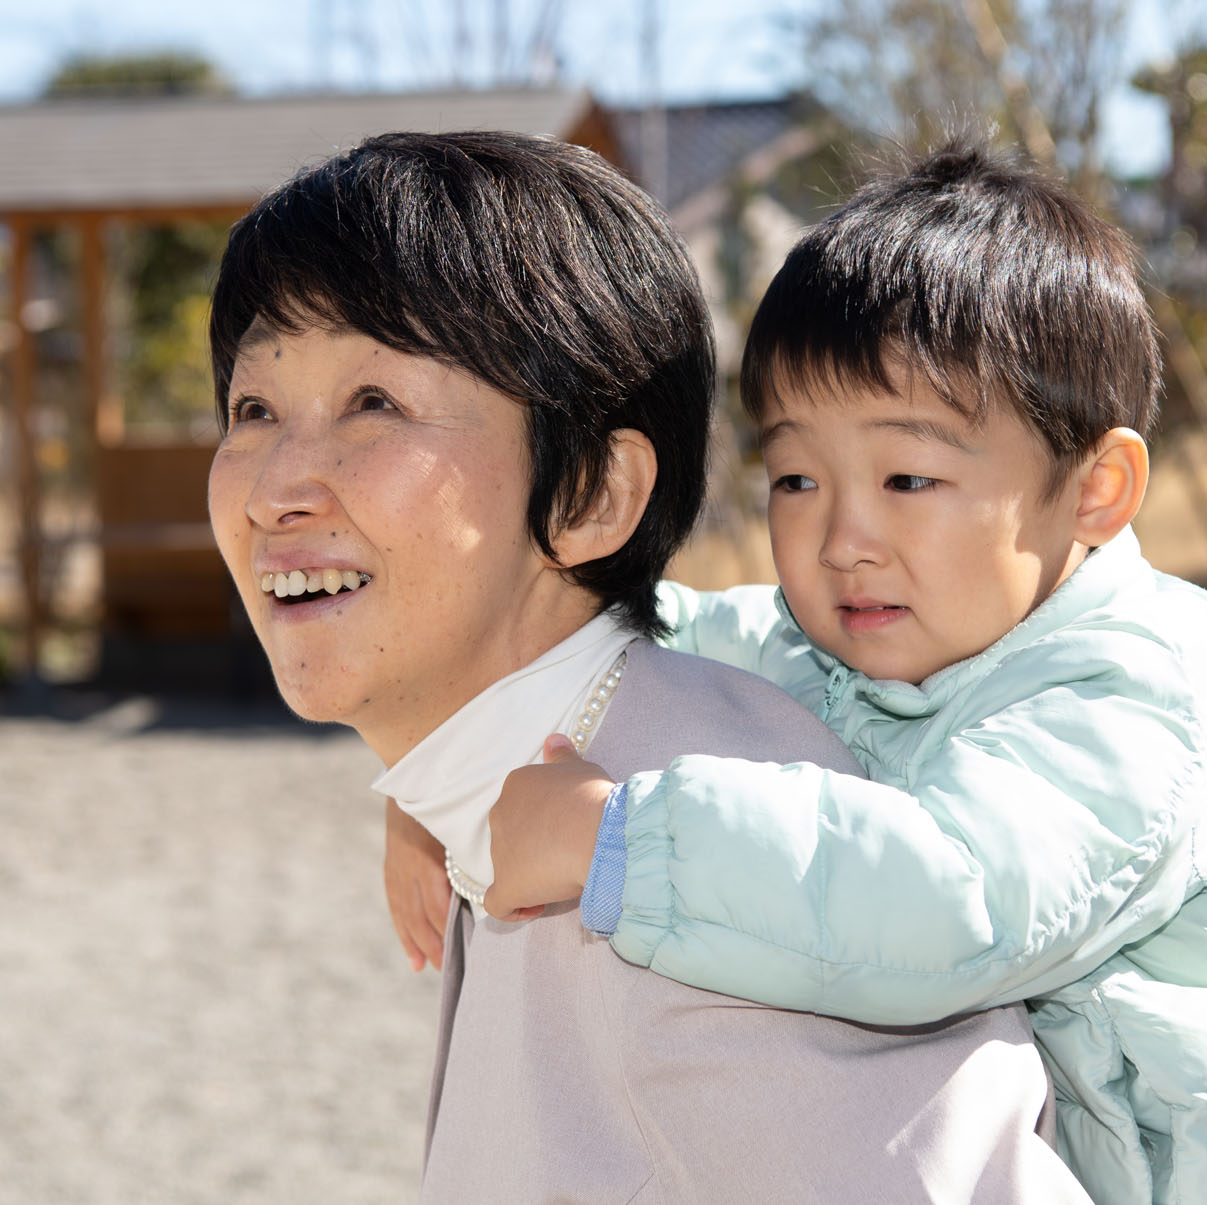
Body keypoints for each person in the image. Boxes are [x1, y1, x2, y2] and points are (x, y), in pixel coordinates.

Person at [465, 144, 1207, 1204]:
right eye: (795, 475)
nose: (843, 534)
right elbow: (622, 646)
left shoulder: (1118, 693)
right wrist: (469, 746)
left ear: (1094, 490)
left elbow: (953, 901)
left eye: (908, 476)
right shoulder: (820, 644)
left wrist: (611, 836)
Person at [207, 131, 1088, 1204]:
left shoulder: (714, 865)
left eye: (374, 402)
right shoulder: (559, 775)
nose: (274, 487)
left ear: (588, 497)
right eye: (254, 410)